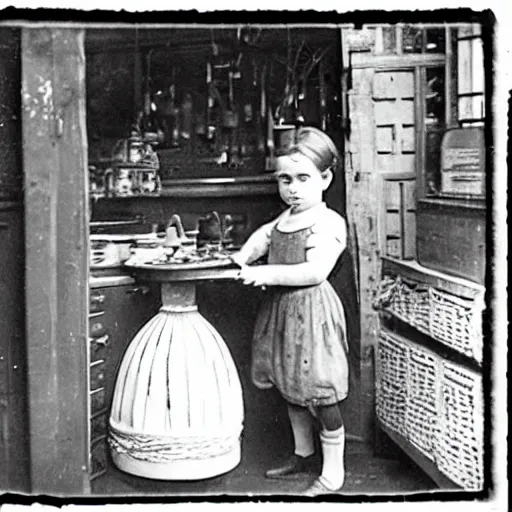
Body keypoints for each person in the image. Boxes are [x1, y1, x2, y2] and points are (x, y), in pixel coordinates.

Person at [231, 126, 349, 496]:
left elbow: (315, 271)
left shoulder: (328, 223)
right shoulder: (285, 219)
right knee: (289, 385)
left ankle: (333, 472)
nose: (292, 188)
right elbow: (262, 238)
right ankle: (302, 453)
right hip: (282, 312)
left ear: (326, 178)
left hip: (312, 316)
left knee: (321, 391)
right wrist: (240, 258)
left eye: (303, 178)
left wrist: (266, 272)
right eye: (285, 179)